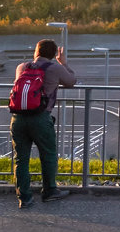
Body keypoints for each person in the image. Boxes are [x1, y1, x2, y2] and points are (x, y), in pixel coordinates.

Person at [11, 38, 77, 209]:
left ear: (36, 51)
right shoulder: (54, 68)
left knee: (21, 159)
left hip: (17, 118)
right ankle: (49, 191)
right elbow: (71, 81)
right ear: (54, 54)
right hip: (40, 118)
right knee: (47, 155)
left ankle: (24, 198)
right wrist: (63, 64)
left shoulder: (22, 67)